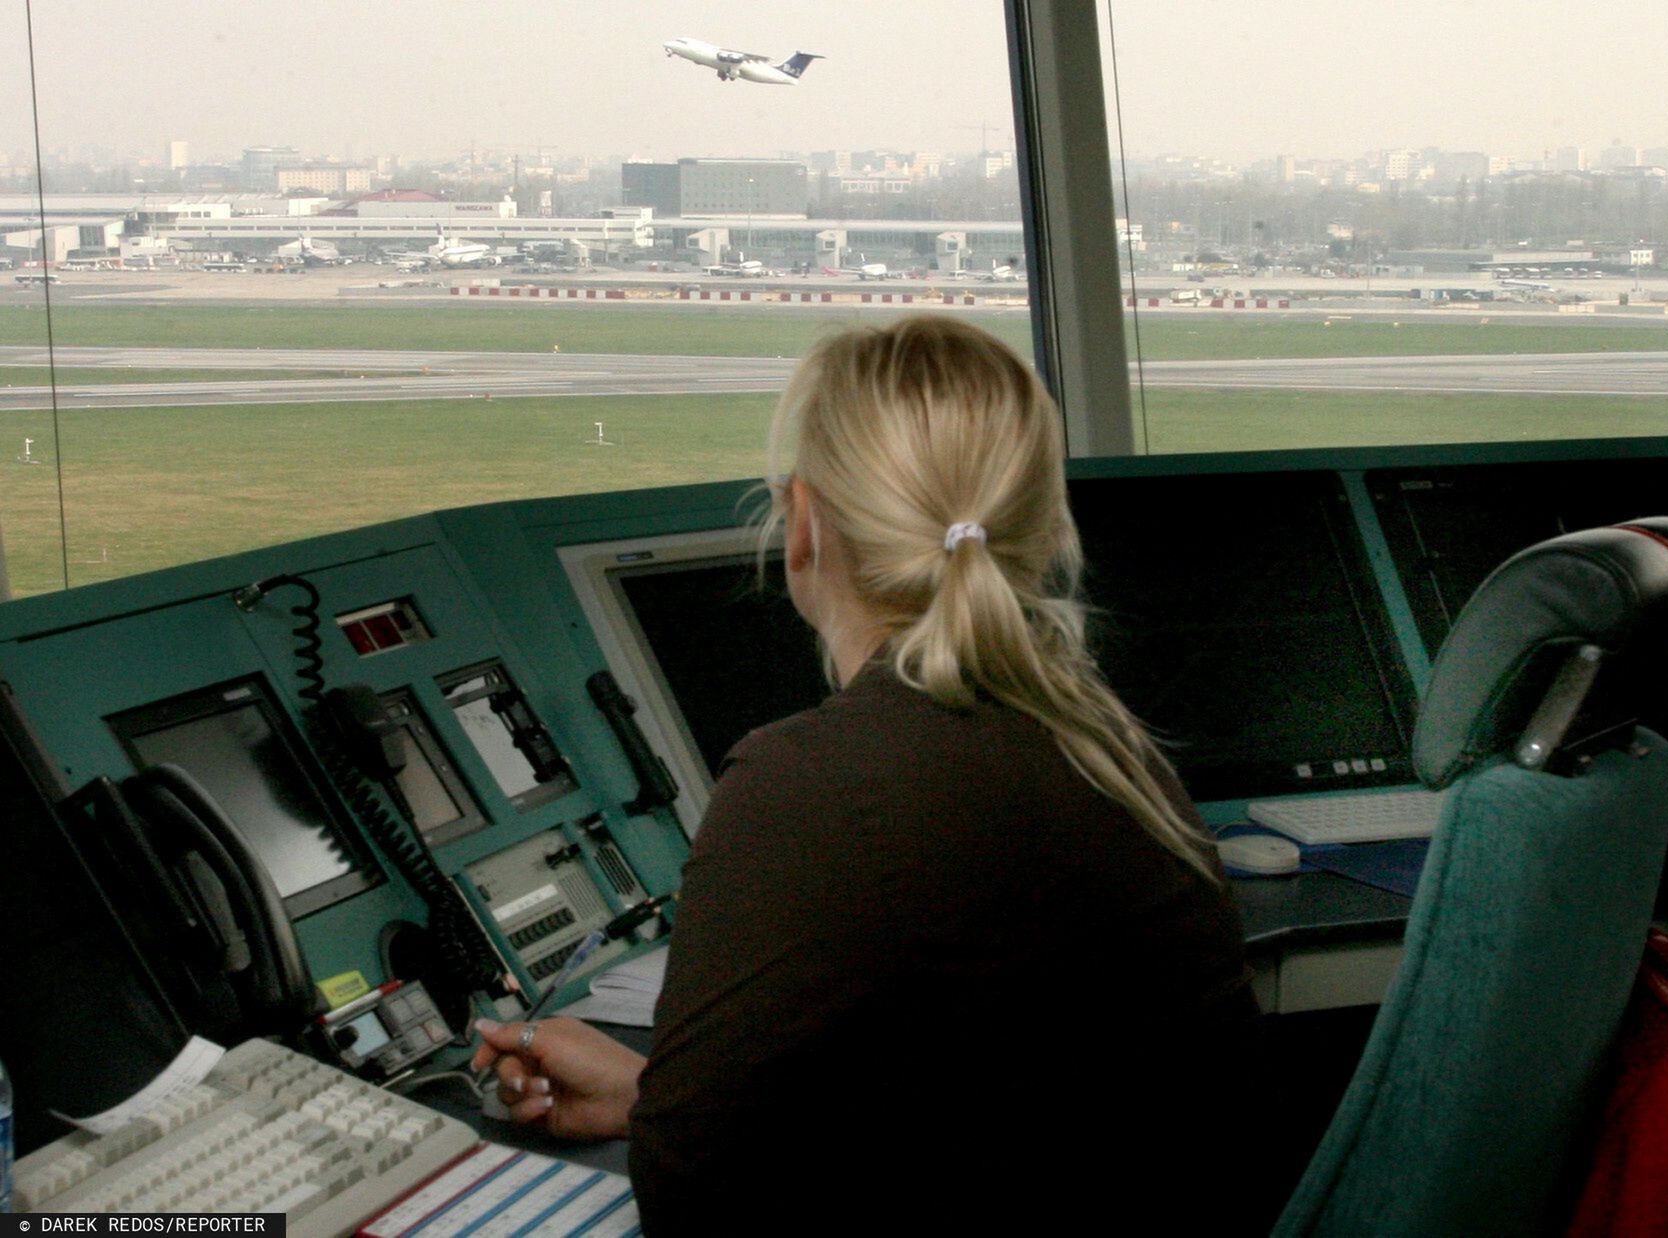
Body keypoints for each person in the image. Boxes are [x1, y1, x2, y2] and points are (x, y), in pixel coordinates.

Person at [472, 316, 1263, 1233]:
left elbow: (696, 1200)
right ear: (1043, 530)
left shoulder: (809, 780)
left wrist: (670, 1124)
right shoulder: (1110, 747)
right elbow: (1001, 1104)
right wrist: (656, 1094)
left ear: (804, 523)